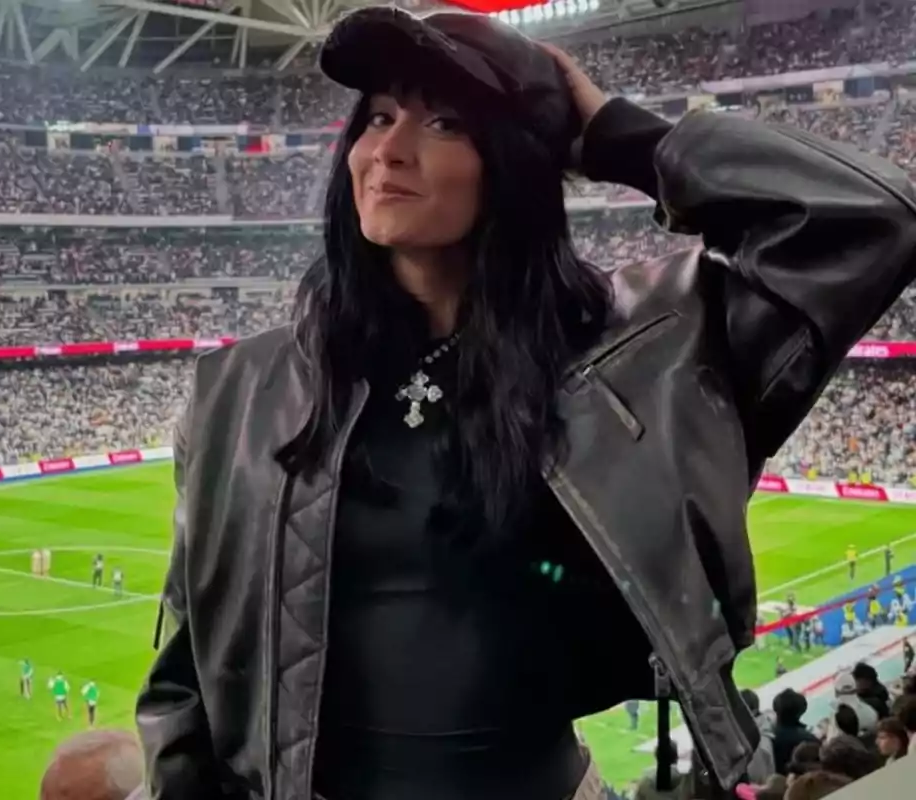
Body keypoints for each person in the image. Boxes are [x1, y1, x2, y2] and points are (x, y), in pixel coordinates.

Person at [135, 7, 916, 800]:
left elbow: (874, 218)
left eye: (442, 121)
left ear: (510, 162)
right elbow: (185, 680)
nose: (387, 151)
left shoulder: (640, 353)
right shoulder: (239, 390)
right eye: (376, 117)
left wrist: (617, 137)